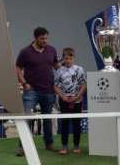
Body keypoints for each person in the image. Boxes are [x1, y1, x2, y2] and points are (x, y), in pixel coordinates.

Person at [15, 27, 59, 156]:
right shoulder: (25, 52)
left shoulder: (52, 50)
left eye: (46, 38)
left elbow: (56, 66)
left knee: (47, 118)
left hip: (49, 90)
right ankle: (22, 147)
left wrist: (68, 64)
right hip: (31, 91)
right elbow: (18, 68)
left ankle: (49, 144)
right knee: (27, 118)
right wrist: (24, 83)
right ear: (35, 38)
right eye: (42, 38)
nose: (45, 41)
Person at [54, 48, 86, 155]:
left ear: (74, 58)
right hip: (64, 100)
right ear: (63, 58)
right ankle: (64, 146)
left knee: (77, 123)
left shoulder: (79, 69)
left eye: (70, 58)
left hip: (77, 100)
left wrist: (77, 96)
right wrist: (62, 96)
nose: (68, 60)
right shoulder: (59, 71)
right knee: (65, 123)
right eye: (66, 58)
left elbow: (83, 85)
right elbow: (56, 86)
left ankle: (76, 146)